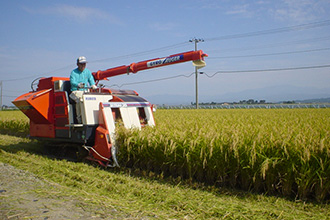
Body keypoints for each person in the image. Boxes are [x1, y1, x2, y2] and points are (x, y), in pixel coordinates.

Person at [69, 56, 97, 123]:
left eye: (84, 64)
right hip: (75, 92)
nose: (83, 65)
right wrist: (78, 85)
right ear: (77, 64)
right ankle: (80, 119)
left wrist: (93, 85)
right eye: (81, 64)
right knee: (80, 100)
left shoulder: (87, 72)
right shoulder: (73, 72)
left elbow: (91, 80)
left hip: (85, 92)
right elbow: (72, 82)